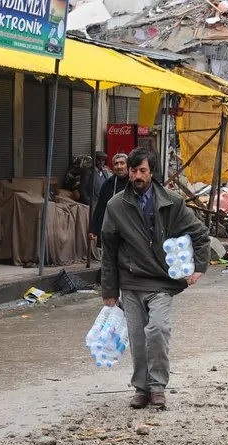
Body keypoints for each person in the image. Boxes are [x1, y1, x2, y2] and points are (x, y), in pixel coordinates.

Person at [100, 147, 210, 409]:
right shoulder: (116, 205)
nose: (137, 176)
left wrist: (199, 268)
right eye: (133, 170)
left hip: (161, 282)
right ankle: (141, 389)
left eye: (142, 171)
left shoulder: (172, 202)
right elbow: (109, 250)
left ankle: (158, 386)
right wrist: (109, 290)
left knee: (158, 330)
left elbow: (200, 234)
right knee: (138, 338)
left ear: (152, 172)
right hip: (130, 282)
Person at [89, 152, 129, 247]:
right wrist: (93, 229)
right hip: (111, 229)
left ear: (128, 165)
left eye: (122, 163)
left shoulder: (134, 183)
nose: (119, 166)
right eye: (116, 164)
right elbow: (100, 207)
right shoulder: (108, 184)